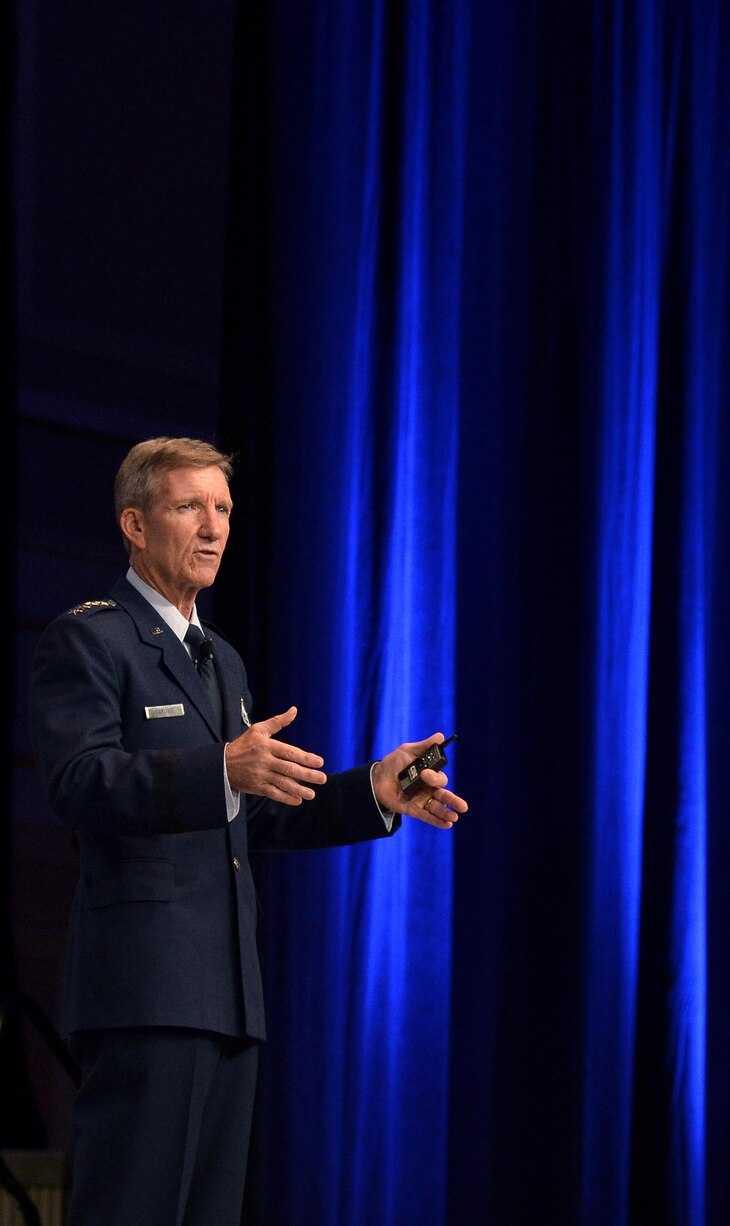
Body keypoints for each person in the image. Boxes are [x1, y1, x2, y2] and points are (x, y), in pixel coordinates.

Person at [28, 438, 470, 1225]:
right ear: (135, 523)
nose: (213, 528)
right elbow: (78, 781)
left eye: (223, 508)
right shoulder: (91, 639)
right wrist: (218, 770)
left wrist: (372, 790)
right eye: (188, 506)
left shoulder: (221, 660)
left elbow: (252, 808)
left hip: (230, 999)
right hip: (145, 992)